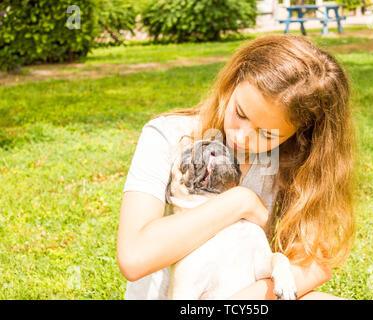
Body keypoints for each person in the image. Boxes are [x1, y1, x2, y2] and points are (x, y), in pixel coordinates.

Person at [117, 34, 357, 300]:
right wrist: (240, 201)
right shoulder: (168, 135)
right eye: (240, 113)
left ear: (298, 134)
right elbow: (134, 257)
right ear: (233, 81)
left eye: (267, 135)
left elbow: (315, 264)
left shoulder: (293, 160)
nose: (241, 137)